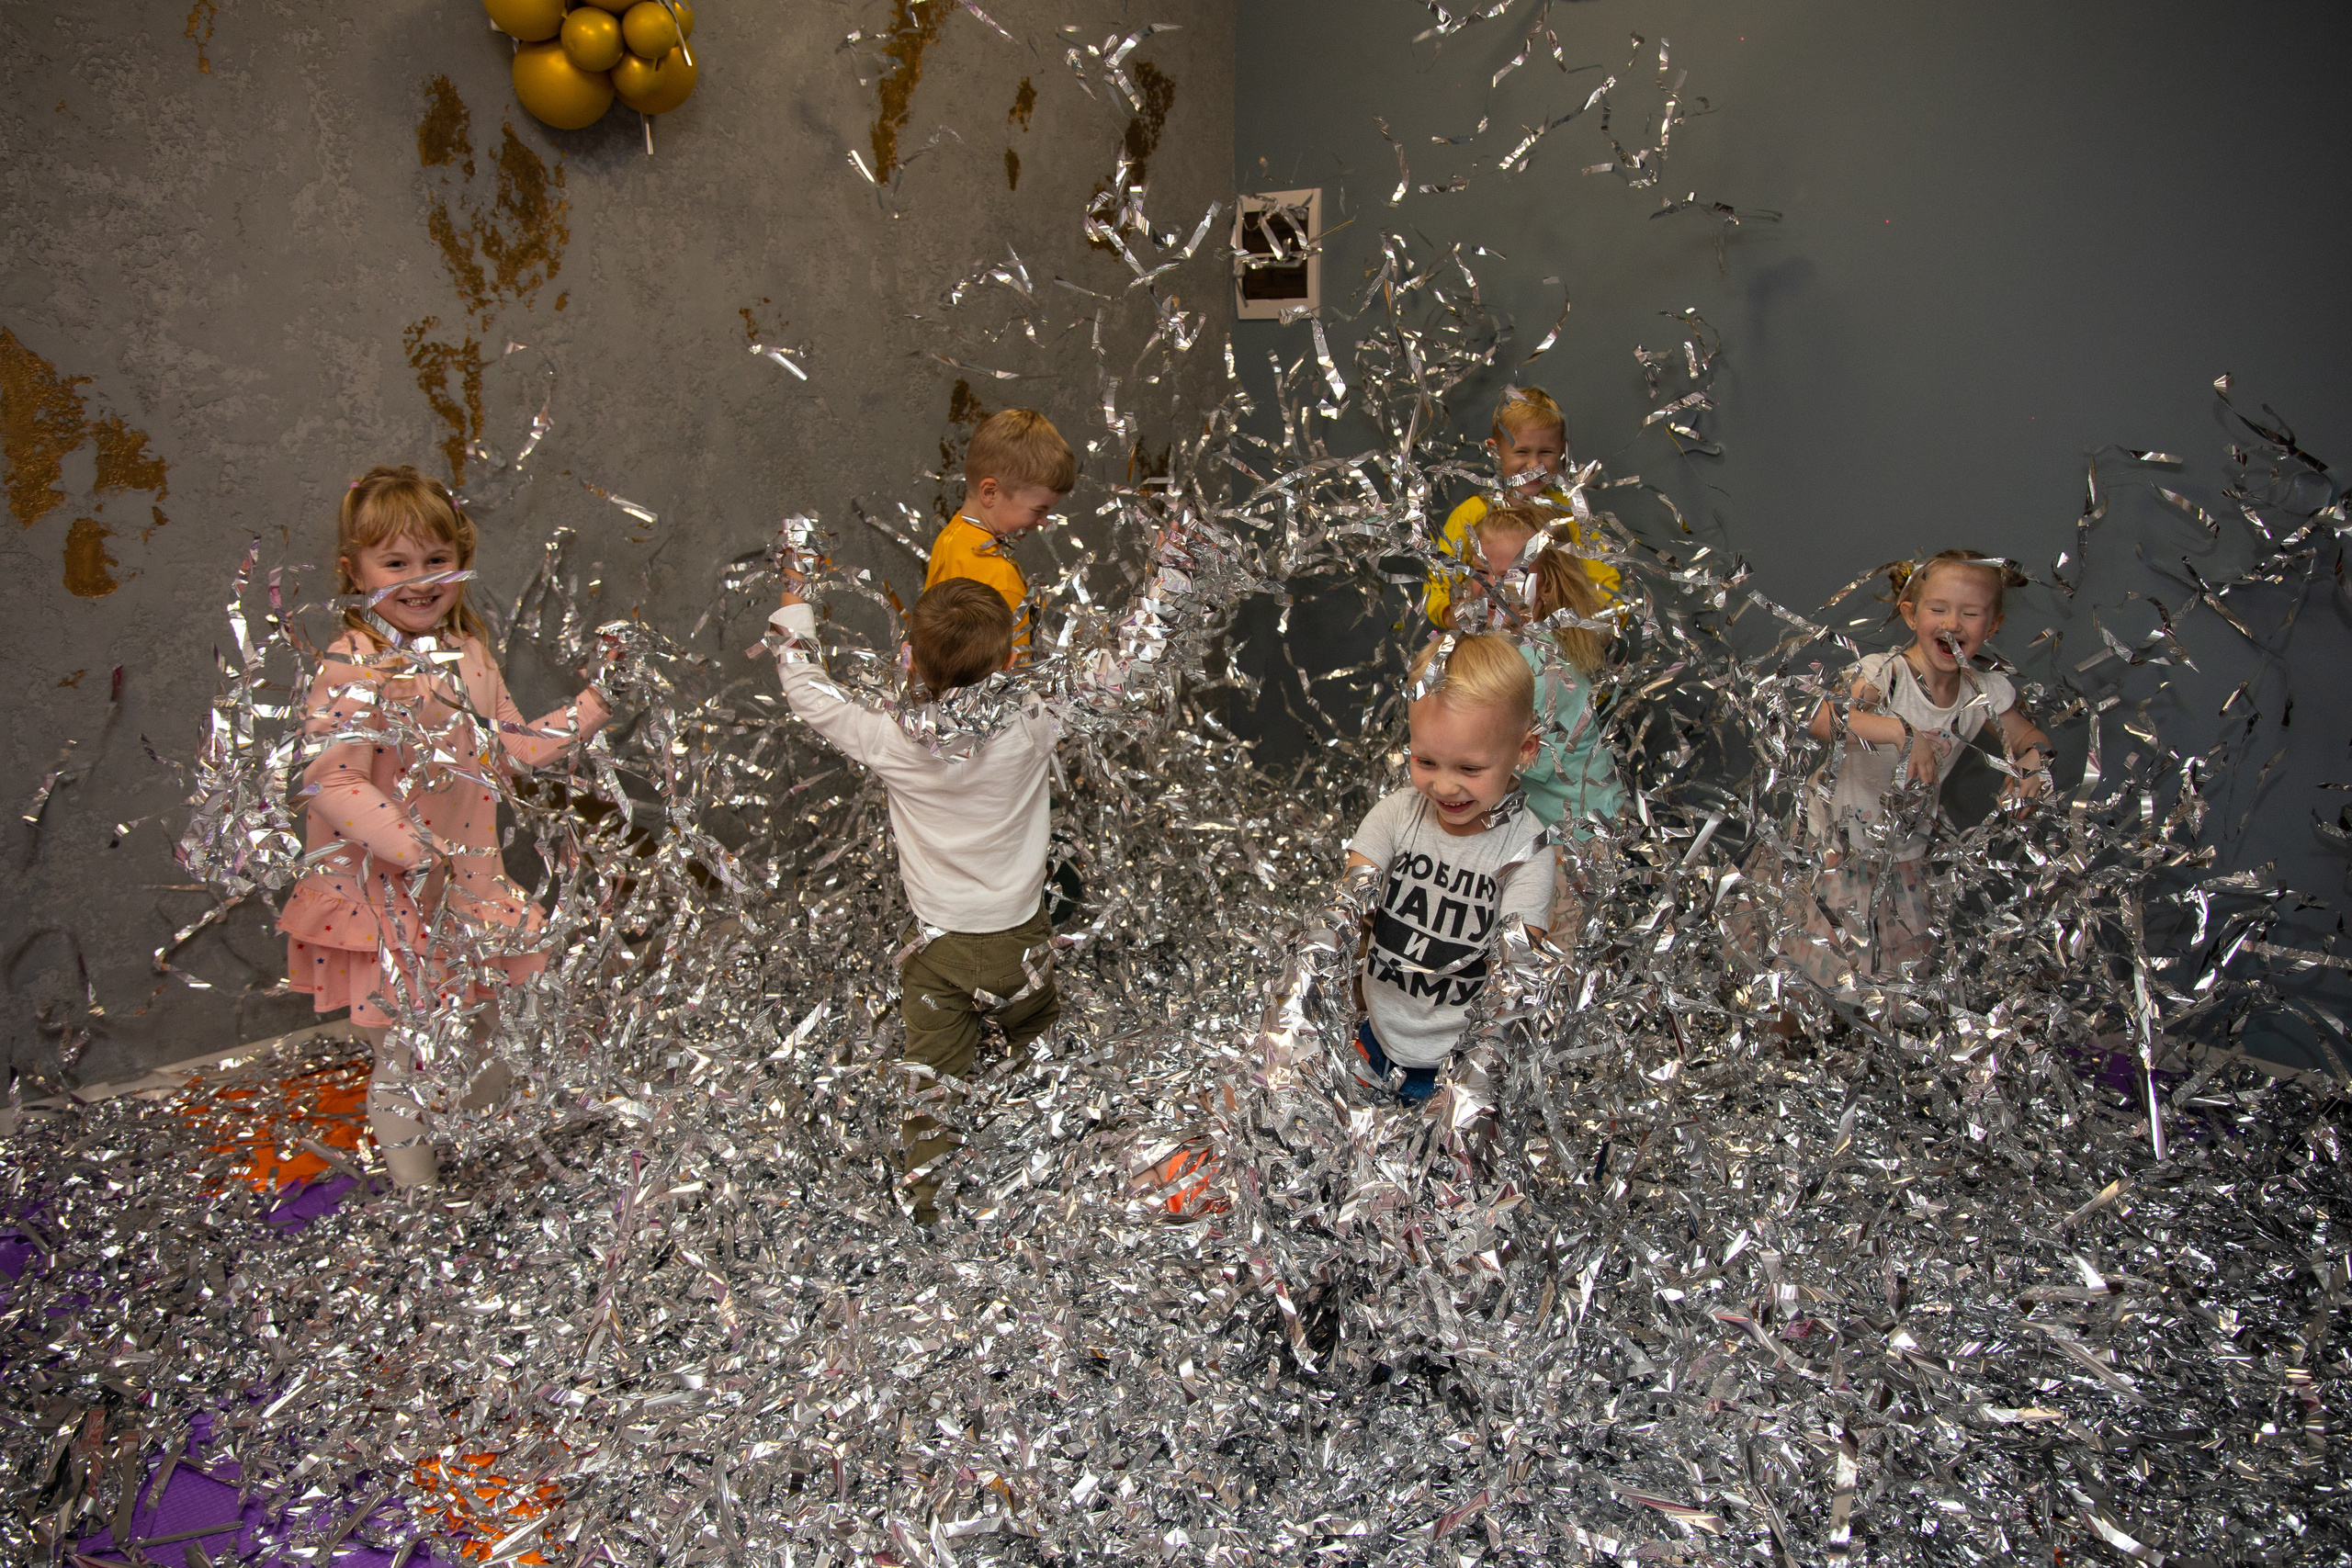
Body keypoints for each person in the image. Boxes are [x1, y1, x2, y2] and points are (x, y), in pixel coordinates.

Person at [769, 521, 1199, 1224]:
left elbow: (806, 688)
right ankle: (1058, 1170)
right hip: (1021, 944)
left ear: (908, 659)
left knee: (931, 1080)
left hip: (938, 954)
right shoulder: (1033, 720)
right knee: (1042, 1046)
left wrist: (796, 585)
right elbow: (1125, 666)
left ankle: (929, 1205)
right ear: (1006, 663)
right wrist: (1171, 576)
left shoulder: (888, 739)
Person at [279, 466, 611, 1190]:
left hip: (466, 891)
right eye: (395, 563)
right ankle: (418, 1198)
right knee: (402, 1053)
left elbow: (509, 749)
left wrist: (593, 704)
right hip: (386, 902)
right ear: (353, 570)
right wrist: (410, 845)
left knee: (490, 1034)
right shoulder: (354, 665)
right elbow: (329, 777)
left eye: (436, 561)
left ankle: (471, 1150)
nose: (420, 580)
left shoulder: (470, 653)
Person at [1789, 548, 2053, 983]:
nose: (1952, 624)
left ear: (1993, 626)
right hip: (1836, 847)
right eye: (1939, 610)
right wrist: (1903, 733)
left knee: (1891, 980)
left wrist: (2033, 762)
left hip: (1902, 856)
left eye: (1970, 614)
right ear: (1911, 616)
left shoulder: (1982, 690)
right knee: (1812, 972)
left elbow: (2030, 737)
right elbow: (1823, 719)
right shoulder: (1887, 673)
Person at [1347, 634, 1556, 1103]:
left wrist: (1472, 1086)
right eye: (1425, 761)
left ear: (1525, 750)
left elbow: (1520, 972)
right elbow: (1350, 901)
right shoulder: (1398, 815)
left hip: (1459, 1067)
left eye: (1469, 768)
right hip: (1374, 1040)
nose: (1444, 785)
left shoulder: (1527, 847)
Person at [1446, 502, 1629, 938]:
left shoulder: (1539, 664)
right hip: (1541, 829)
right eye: (1480, 572)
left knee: (1542, 956)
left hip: (1573, 845)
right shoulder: (1501, 644)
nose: (1489, 588)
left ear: (1543, 590)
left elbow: (1492, 761)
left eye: (1510, 576)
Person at [1423, 385, 1618, 626]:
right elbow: (1438, 587)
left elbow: (1606, 582)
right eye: (1522, 451)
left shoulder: (1570, 515)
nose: (1534, 465)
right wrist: (1469, 627)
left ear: (1562, 450)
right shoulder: (1470, 514)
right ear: (1495, 450)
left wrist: (1588, 630)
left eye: (1546, 452)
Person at [924, 409, 1077, 655]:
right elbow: (1016, 678)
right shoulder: (1002, 582)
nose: (1043, 522)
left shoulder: (951, 537)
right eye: (1038, 509)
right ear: (990, 492)